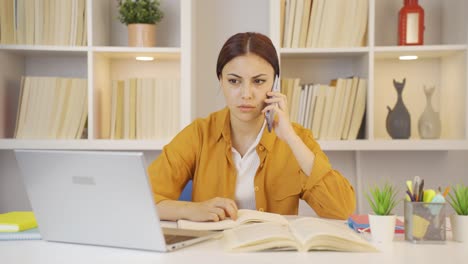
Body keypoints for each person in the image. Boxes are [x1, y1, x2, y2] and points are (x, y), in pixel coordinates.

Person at [148, 32, 356, 222]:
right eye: (234, 81)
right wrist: (190, 210)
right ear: (221, 81)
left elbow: (343, 210)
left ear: (274, 84)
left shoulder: (296, 138)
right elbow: (142, 199)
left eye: (258, 81)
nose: (246, 94)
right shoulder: (199, 134)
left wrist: (291, 138)